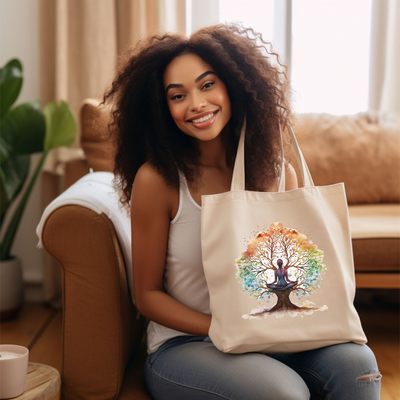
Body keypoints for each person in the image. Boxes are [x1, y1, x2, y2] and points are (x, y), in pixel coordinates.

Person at [102, 23, 381, 400]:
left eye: (207, 85)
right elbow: (147, 295)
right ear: (161, 108)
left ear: (234, 85)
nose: (197, 104)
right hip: (189, 344)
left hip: (279, 333)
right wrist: (225, 325)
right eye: (177, 95)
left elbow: (296, 269)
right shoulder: (158, 180)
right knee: (283, 393)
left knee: (358, 366)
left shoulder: (279, 170)